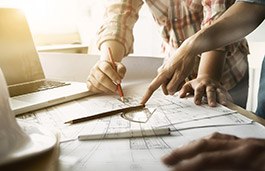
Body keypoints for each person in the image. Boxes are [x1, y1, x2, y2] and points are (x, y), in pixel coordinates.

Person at [158, 1, 265, 170]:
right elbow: (255, 5)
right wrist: (190, 47)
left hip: (228, 74)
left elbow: (217, 11)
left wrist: (205, 72)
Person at [87, 0, 250, 108]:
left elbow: (217, 17)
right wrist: (108, 63)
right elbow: (119, 18)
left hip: (225, 72)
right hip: (175, 74)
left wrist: (207, 75)